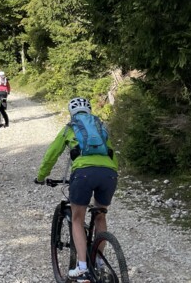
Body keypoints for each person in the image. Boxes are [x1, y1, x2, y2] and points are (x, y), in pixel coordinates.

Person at [34, 97, 118, 281]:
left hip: (83, 174)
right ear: (89, 111)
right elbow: (112, 155)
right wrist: (112, 175)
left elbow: (51, 155)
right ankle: (98, 262)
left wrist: (41, 177)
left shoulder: (70, 128)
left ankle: (82, 268)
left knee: (77, 219)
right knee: (100, 215)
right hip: (109, 174)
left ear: (72, 112)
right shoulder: (100, 127)